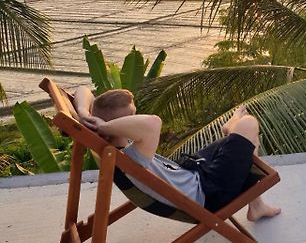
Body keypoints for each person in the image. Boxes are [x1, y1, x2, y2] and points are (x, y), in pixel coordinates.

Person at [73, 86, 281, 221]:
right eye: (132, 115)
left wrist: (84, 113)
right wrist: (106, 127)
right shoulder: (132, 156)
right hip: (209, 192)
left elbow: (83, 90)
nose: (136, 117)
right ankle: (232, 132)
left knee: (244, 142)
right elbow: (153, 123)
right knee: (248, 125)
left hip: (194, 173)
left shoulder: (119, 148)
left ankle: (257, 205)